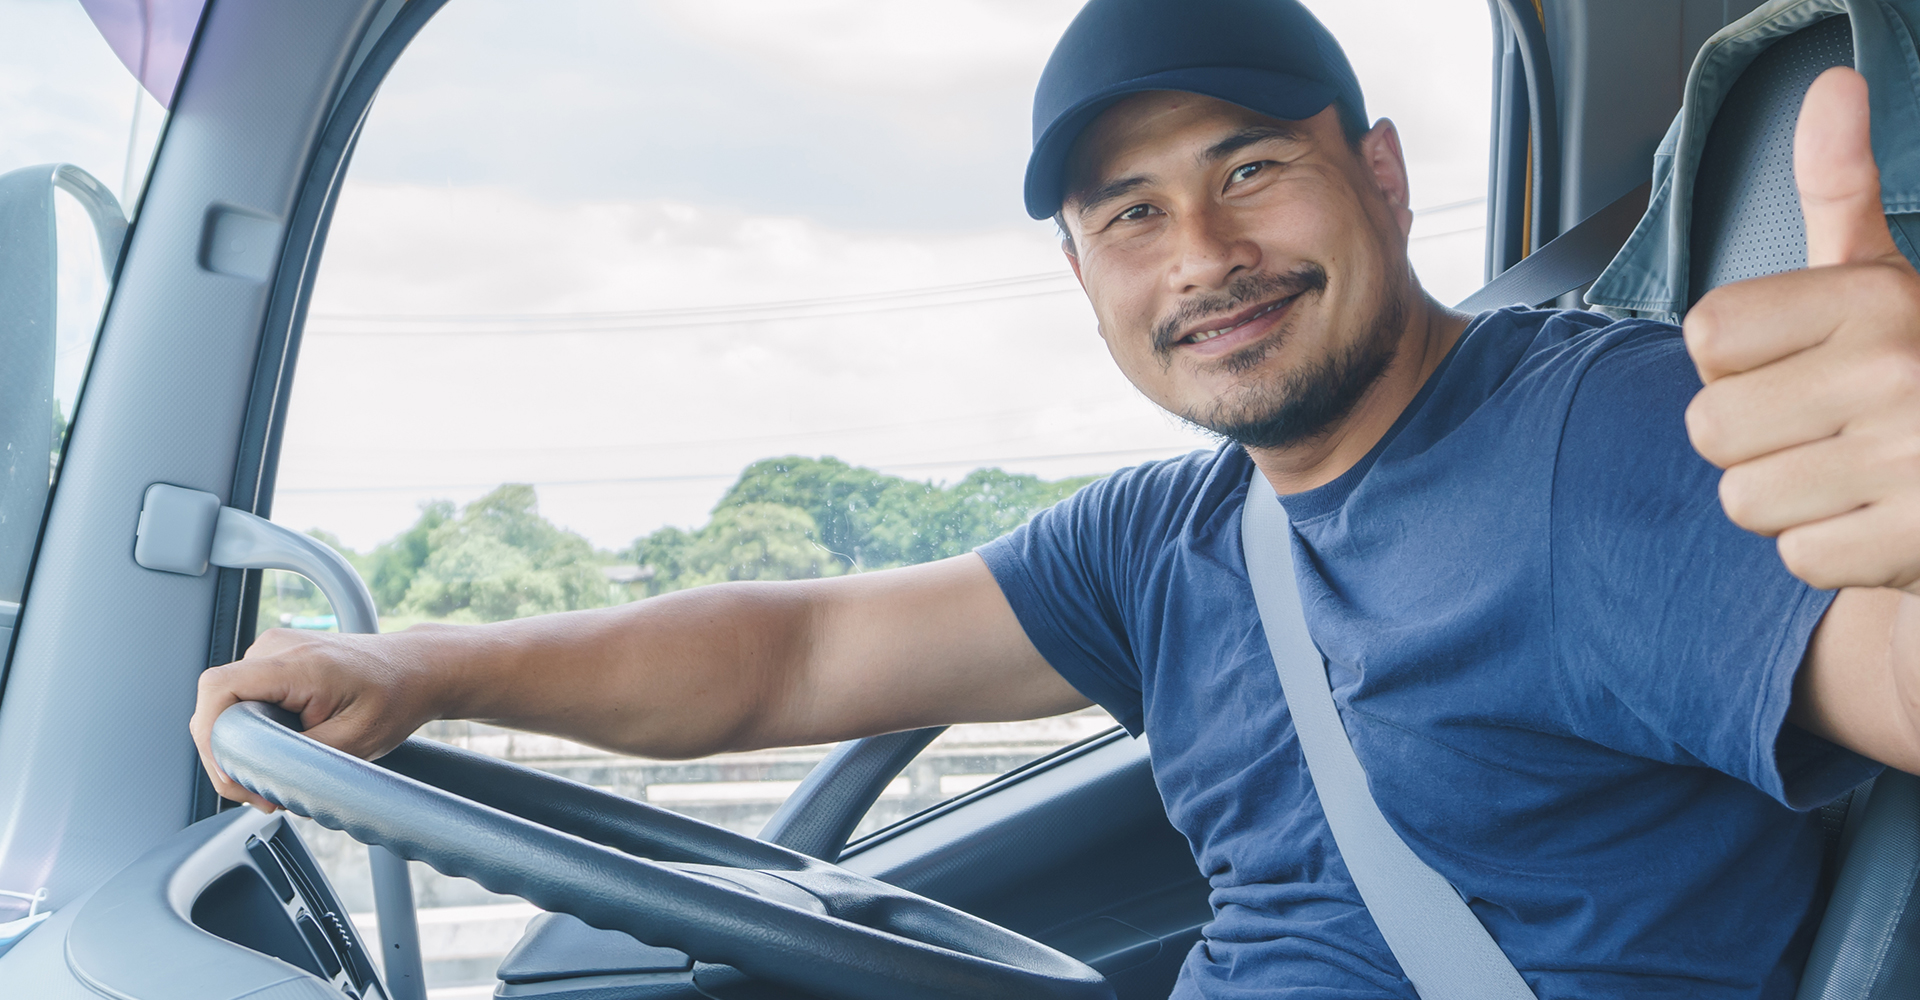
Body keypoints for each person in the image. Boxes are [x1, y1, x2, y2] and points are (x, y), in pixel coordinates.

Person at [191, 0, 1920, 996]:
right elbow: (787, 662)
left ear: (1379, 178)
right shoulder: (1174, 536)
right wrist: (423, 670)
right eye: (1134, 215)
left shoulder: (1594, 443)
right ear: (1083, 269)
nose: (1211, 257)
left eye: (1253, 170)